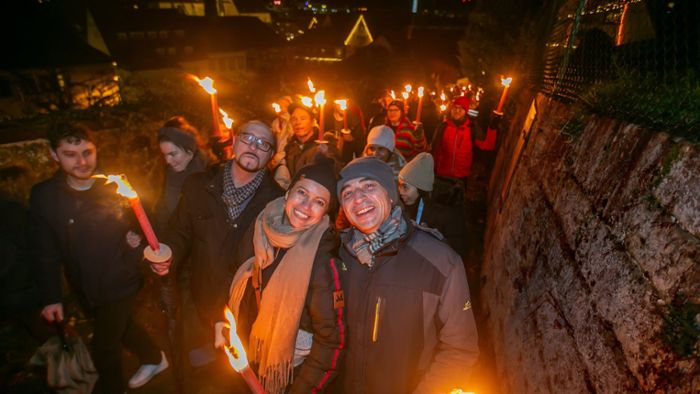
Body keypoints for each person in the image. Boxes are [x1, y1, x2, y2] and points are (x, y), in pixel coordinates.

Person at [29, 123, 166, 394]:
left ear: (96, 149)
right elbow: (44, 249)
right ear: (53, 155)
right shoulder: (45, 196)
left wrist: (139, 248)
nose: (82, 161)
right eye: (70, 154)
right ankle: (154, 358)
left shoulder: (116, 185)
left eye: (87, 152)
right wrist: (51, 296)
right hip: (84, 285)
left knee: (104, 346)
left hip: (122, 279)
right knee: (121, 326)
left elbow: (146, 224)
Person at [156, 120, 284, 392]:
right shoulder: (199, 185)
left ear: (270, 155)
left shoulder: (277, 202)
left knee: (235, 381)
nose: (254, 146)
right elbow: (179, 232)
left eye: (264, 144)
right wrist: (168, 254)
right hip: (200, 305)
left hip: (247, 313)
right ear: (234, 141)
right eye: (248, 138)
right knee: (201, 379)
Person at [336, 156, 479, 393]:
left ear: (391, 195)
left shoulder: (440, 261)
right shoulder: (337, 255)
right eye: (347, 193)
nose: (358, 197)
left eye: (369, 186)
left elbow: (460, 350)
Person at [217, 158, 345, 394]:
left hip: (288, 374)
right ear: (288, 193)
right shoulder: (260, 226)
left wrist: (300, 390)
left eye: (319, 202)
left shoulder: (323, 261)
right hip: (247, 356)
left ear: (326, 212)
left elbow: (331, 342)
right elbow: (234, 272)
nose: (306, 206)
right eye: (302, 193)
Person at [431, 96, 498, 205]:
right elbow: (433, 148)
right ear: (451, 109)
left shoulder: (472, 129)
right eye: (455, 107)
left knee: (456, 207)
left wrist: (493, 127)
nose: (457, 111)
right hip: (442, 176)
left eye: (461, 108)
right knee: (440, 205)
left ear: (465, 111)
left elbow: (488, 145)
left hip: (461, 177)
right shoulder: (443, 127)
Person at [398, 152, 467, 258]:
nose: (400, 191)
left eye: (405, 187)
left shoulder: (448, 215)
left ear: (420, 188)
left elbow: (457, 253)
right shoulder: (405, 204)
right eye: (399, 185)